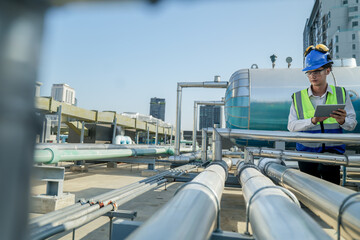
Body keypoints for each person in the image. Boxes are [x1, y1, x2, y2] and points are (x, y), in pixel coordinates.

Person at [288, 44, 357, 184]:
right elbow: (291, 126)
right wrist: (312, 121)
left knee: (331, 195)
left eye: (317, 71)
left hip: (332, 156)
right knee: (308, 194)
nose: (313, 76)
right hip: (306, 156)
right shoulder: (298, 98)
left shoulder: (341, 93)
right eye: (309, 72)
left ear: (328, 70)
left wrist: (342, 121)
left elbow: (352, 125)